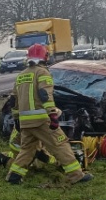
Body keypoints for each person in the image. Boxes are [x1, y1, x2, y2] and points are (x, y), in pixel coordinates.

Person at [5, 44, 92, 185]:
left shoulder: (20, 76)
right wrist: (52, 115)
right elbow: (45, 96)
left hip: (25, 121)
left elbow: (13, 100)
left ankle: (14, 176)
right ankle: (76, 176)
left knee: (27, 149)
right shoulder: (43, 73)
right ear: (45, 57)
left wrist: (16, 119)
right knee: (61, 144)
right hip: (41, 120)